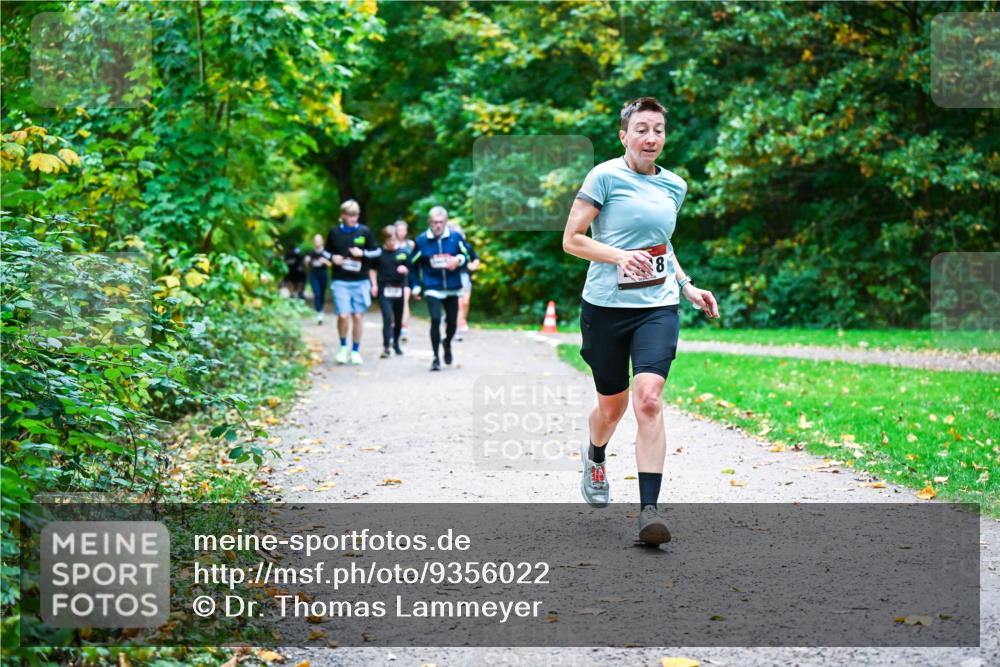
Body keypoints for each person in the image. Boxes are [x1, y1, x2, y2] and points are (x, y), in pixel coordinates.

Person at [562, 97, 719, 545]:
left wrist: (686, 284)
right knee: (611, 407)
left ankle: (648, 510)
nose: (651, 138)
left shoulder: (675, 186)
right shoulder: (604, 176)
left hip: (658, 305)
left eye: (659, 130)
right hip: (605, 308)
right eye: (642, 129)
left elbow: (662, 245)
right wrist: (617, 255)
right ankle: (595, 454)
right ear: (624, 135)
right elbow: (571, 240)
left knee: (648, 399)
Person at [409, 206, 472, 371]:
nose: (437, 225)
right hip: (432, 287)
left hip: (453, 286)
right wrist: (415, 284)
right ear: (429, 222)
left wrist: (458, 260)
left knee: (451, 323)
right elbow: (412, 265)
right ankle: (436, 357)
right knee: (435, 319)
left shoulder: (455, 237)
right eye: (434, 222)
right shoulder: (422, 240)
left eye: (441, 222)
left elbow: (468, 255)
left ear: (446, 222)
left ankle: (447, 343)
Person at [325, 199, 381, 365]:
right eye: (350, 215)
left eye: (356, 215)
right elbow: (325, 253)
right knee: (343, 315)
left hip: (361, 280)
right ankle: (343, 347)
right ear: (343, 215)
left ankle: (355, 350)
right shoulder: (334, 232)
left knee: (358, 316)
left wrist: (362, 253)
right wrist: (333, 258)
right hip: (340, 280)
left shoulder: (364, 232)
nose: (353, 218)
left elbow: (377, 251)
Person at [369, 225, 410, 358]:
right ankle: (386, 347)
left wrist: (405, 270)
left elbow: (411, 269)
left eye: (394, 240)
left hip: (399, 289)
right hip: (384, 289)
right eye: (389, 240)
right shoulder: (379, 253)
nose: (391, 243)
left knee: (398, 320)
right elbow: (372, 269)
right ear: (385, 240)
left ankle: (396, 344)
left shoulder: (403, 252)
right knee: (387, 318)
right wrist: (373, 285)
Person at [449, 222, 481, 341]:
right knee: (457, 303)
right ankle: (455, 327)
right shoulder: (447, 245)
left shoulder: (466, 246)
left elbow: (475, 258)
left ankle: (462, 320)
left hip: (464, 276)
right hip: (452, 277)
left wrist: (473, 265)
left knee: (465, 302)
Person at [394, 220, 416, 342]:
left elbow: (414, 263)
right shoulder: (392, 243)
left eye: (404, 230)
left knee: (404, 300)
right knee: (394, 303)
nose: (402, 232)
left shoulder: (410, 245)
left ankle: (403, 328)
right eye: (399, 230)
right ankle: (394, 325)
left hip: (406, 277)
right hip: (392, 277)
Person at [305, 234, 333, 325]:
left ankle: (321, 309)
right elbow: (306, 266)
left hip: (323, 274)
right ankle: (319, 312)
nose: (317, 242)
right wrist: (306, 261)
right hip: (314, 275)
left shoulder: (326, 252)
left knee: (321, 294)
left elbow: (331, 264)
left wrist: (325, 261)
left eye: (319, 240)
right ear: (314, 242)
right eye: (315, 240)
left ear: (322, 241)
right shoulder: (310, 252)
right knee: (316, 293)